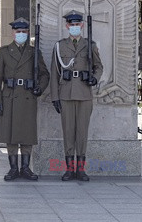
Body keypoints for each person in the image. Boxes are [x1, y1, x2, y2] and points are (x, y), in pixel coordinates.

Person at [0, 17, 49, 181]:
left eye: (24, 32)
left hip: (27, 95)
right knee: (10, 134)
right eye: (18, 32)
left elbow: (45, 74)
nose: (21, 34)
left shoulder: (34, 52)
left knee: (26, 133)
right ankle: (12, 168)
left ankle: (25, 168)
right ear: (13, 33)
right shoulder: (4, 52)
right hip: (10, 96)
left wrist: (40, 87)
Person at [50, 10, 103, 181]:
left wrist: (94, 78)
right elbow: (54, 73)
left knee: (82, 132)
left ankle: (80, 170)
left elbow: (98, 66)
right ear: (67, 26)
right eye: (71, 25)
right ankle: (69, 169)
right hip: (66, 93)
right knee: (68, 132)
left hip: (84, 93)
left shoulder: (90, 45)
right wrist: (55, 97)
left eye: (77, 25)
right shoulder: (60, 46)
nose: (74, 27)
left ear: (82, 25)